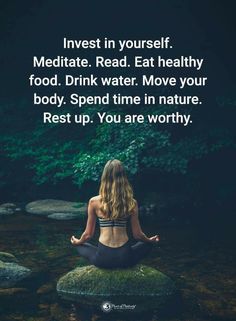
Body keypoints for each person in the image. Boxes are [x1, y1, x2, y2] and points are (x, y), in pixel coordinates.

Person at [70, 159, 159, 269]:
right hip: (125, 258)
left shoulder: (94, 202)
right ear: (123, 178)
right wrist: (149, 240)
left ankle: (78, 244)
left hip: (103, 259)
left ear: (105, 177)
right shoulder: (131, 202)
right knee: (148, 244)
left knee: (80, 245)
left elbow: (88, 235)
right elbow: (137, 235)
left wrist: (77, 242)